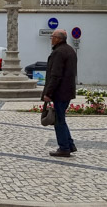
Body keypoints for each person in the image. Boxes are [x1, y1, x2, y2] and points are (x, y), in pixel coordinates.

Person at [43, 29, 77, 157]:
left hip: (59, 92)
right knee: (61, 119)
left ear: (58, 38)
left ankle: (64, 148)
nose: (51, 39)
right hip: (67, 91)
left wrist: (48, 93)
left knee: (59, 121)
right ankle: (70, 144)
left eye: (52, 37)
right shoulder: (70, 50)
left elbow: (55, 75)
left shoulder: (59, 52)